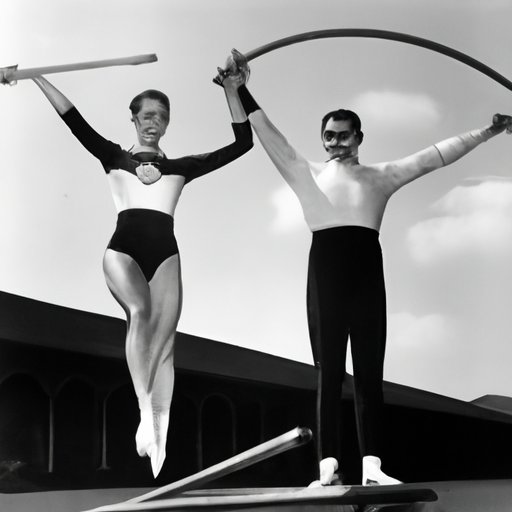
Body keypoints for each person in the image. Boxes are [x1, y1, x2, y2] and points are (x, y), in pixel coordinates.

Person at [217, 50, 512, 487]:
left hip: (367, 273)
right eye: (329, 137)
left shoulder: (381, 176)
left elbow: (435, 156)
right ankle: (327, 466)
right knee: (329, 371)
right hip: (326, 272)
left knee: (370, 373)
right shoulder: (305, 173)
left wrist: (490, 130)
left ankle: (372, 466)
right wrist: (239, 88)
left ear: (359, 138)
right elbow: (267, 132)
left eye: (343, 136)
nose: (335, 143)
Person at [1, 56, 252, 477]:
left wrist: (232, 90)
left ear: (167, 124)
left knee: (166, 344)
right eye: (147, 115)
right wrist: (33, 75)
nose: (154, 122)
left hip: (166, 256)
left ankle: (158, 439)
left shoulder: (182, 167)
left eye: (162, 116)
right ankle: (143, 412)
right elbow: (72, 118)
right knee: (140, 311)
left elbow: (242, 144)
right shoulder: (113, 156)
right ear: (133, 119)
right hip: (122, 253)